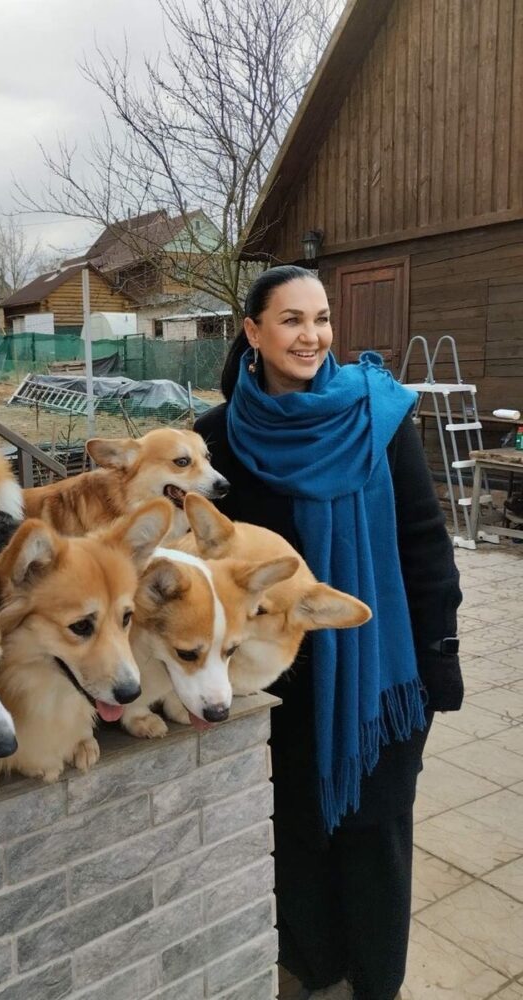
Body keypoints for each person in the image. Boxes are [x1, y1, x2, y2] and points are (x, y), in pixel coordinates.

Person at [195, 265, 463, 1000]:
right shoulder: (218, 437)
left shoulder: (381, 416)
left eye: (320, 319)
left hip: (378, 674)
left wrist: (442, 658)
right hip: (274, 677)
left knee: (375, 838)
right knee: (297, 831)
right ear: (253, 332)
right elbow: (195, 559)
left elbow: (424, 545)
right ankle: (314, 973)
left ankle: (376, 985)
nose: (311, 335)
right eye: (291, 319)